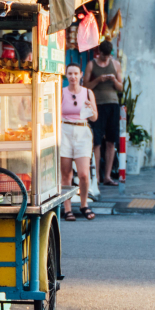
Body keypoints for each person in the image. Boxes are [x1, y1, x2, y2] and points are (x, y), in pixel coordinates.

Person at [58, 63, 96, 221]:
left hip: (82, 131)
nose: (73, 77)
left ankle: (83, 204)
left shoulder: (88, 93)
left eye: (75, 73)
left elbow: (94, 118)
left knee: (83, 174)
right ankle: (67, 208)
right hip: (65, 130)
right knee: (66, 173)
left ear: (81, 75)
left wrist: (90, 109)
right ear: (66, 75)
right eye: (70, 74)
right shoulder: (61, 92)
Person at [84, 40, 124, 184]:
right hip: (97, 105)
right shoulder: (91, 65)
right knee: (96, 141)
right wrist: (98, 80)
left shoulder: (115, 64)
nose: (105, 59)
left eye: (108, 56)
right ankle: (97, 177)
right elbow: (85, 85)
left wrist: (114, 80)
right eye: (103, 56)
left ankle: (107, 176)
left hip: (112, 104)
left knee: (111, 141)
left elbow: (121, 88)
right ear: (99, 52)